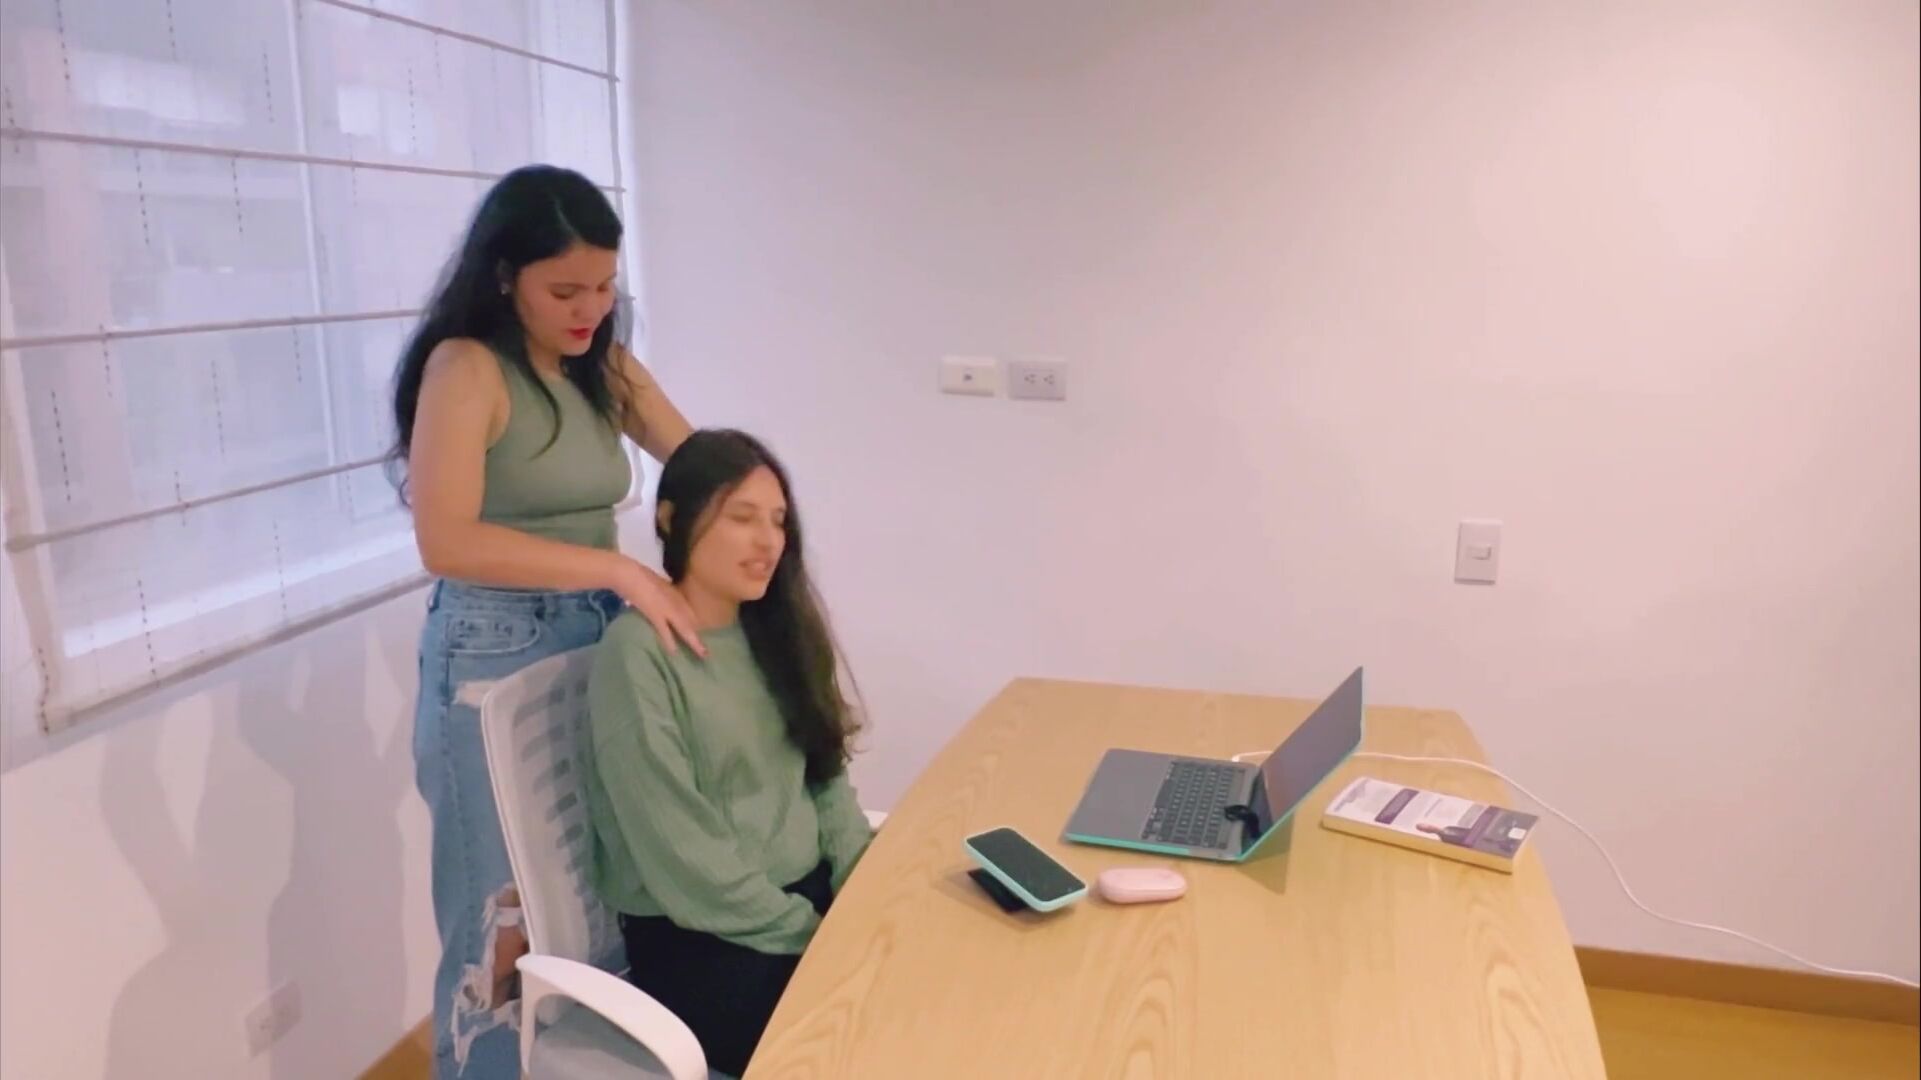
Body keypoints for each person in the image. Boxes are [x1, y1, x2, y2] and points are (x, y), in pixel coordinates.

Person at [389, 164, 703, 1080]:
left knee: (584, 898)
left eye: (604, 287)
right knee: (499, 930)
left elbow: (697, 463)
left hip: (591, 640)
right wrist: (616, 567)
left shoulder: (599, 364)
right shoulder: (466, 368)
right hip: (493, 649)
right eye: (565, 291)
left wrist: (740, 520)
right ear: (503, 275)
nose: (590, 309)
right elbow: (446, 540)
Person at [583, 429, 875, 1077]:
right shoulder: (637, 655)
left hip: (799, 906)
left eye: (777, 521)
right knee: (864, 1043)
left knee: (934, 986)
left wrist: (864, 889)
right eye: (742, 518)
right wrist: (818, 935)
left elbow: (827, 781)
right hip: (705, 938)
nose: (767, 541)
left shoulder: (776, 632)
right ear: (671, 519)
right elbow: (684, 858)